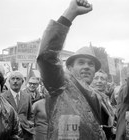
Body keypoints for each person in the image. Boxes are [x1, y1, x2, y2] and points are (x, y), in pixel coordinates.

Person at [37, 0, 107, 139]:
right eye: (81, 62)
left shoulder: (99, 97)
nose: (87, 66)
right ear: (69, 67)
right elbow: (46, 56)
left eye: (91, 64)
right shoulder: (60, 86)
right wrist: (70, 14)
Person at [2, 71, 34, 140]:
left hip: (26, 133)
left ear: (22, 82)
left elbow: (30, 114)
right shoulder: (2, 97)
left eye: (18, 79)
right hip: (9, 134)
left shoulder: (27, 96)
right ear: (9, 81)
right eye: (13, 79)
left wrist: (29, 124)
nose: (15, 81)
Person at [90, 70, 115, 139]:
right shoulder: (90, 97)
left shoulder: (106, 99)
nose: (99, 81)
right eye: (96, 78)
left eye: (102, 79)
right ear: (91, 80)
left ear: (106, 82)